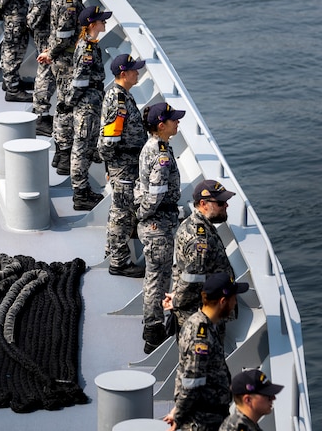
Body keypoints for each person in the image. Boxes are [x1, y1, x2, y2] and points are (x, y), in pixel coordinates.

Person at [164, 272, 249, 431]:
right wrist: (179, 415)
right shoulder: (201, 336)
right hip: (203, 421)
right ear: (223, 301)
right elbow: (192, 380)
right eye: (234, 298)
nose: (235, 302)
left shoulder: (202, 322)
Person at [135, 101, 185, 353]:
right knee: (157, 278)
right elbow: (154, 195)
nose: (178, 122)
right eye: (174, 120)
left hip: (158, 221)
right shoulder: (161, 154)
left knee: (157, 276)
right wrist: (144, 217)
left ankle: (154, 326)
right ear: (161, 125)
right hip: (158, 225)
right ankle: (153, 331)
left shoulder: (153, 146)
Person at [35, 0, 92, 175]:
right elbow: (64, 35)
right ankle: (64, 153)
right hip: (67, 61)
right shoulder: (68, 1)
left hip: (63, 58)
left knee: (63, 105)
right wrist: (53, 54)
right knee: (67, 107)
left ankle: (61, 152)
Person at [98, 54, 147, 277]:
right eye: (134, 70)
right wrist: (114, 166)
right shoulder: (118, 102)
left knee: (121, 210)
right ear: (124, 74)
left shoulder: (123, 96)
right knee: (122, 213)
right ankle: (118, 263)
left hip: (126, 164)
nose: (138, 73)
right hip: (123, 166)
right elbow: (109, 141)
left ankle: (113, 249)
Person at [167, 179, 237, 333]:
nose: (226, 205)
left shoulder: (195, 224)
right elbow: (193, 279)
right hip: (200, 318)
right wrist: (177, 300)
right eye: (221, 202)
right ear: (204, 204)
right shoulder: (200, 240)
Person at [28, 0, 74, 135]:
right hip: (46, 27)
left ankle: (42, 111)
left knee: (48, 67)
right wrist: (34, 25)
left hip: (48, 25)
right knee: (46, 68)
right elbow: (42, 3)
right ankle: (41, 115)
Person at [67, 5, 110, 211]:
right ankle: (80, 194)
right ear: (92, 24)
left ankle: (83, 189)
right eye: (102, 20)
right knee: (81, 149)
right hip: (86, 105)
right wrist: (70, 102)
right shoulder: (87, 49)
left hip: (92, 102)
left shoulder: (91, 45)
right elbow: (79, 80)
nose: (105, 22)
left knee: (86, 147)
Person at [219, 369, 284, 431]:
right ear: (248, 400)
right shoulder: (238, 427)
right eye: (267, 395)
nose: (273, 398)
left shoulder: (245, 423)